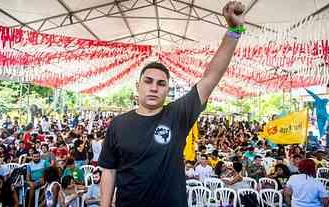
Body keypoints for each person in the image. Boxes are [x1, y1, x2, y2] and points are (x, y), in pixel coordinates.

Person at [99, 1, 246, 206]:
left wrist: (234, 30)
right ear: (138, 86)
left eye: (161, 84)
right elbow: (109, 170)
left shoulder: (178, 115)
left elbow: (211, 77)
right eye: (148, 81)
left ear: (167, 90)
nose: (153, 88)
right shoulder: (118, 124)